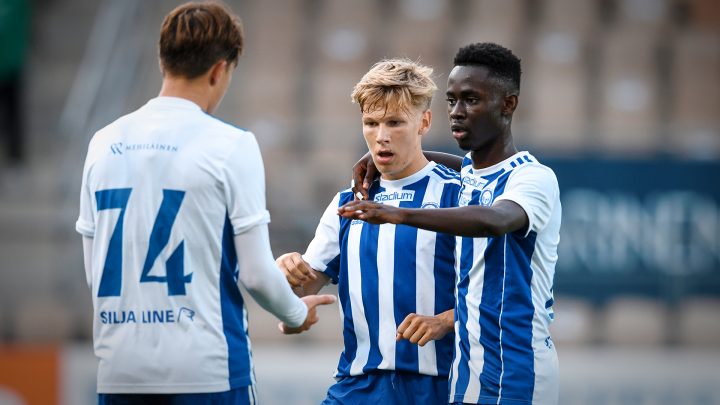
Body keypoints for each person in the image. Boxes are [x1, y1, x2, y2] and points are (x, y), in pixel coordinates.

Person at [75, 2, 335, 404]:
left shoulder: (103, 142)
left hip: (121, 371)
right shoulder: (231, 145)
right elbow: (255, 275)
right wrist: (297, 314)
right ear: (221, 69)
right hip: (206, 371)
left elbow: (96, 275)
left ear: (163, 61)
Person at [343, 43, 561, 405]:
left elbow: (495, 220)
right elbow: (470, 172)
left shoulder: (533, 179)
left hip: (519, 373)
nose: (457, 113)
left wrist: (398, 214)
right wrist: (386, 155)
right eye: (452, 101)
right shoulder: (471, 177)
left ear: (508, 104)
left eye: (471, 100)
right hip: (466, 371)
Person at [276, 59, 460, 404]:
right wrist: (284, 273)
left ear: (425, 121)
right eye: (371, 123)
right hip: (357, 386)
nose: (381, 136)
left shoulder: (457, 197)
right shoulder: (347, 203)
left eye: (394, 122)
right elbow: (302, 291)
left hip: (439, 386)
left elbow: (493, 295)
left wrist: (445, 320)